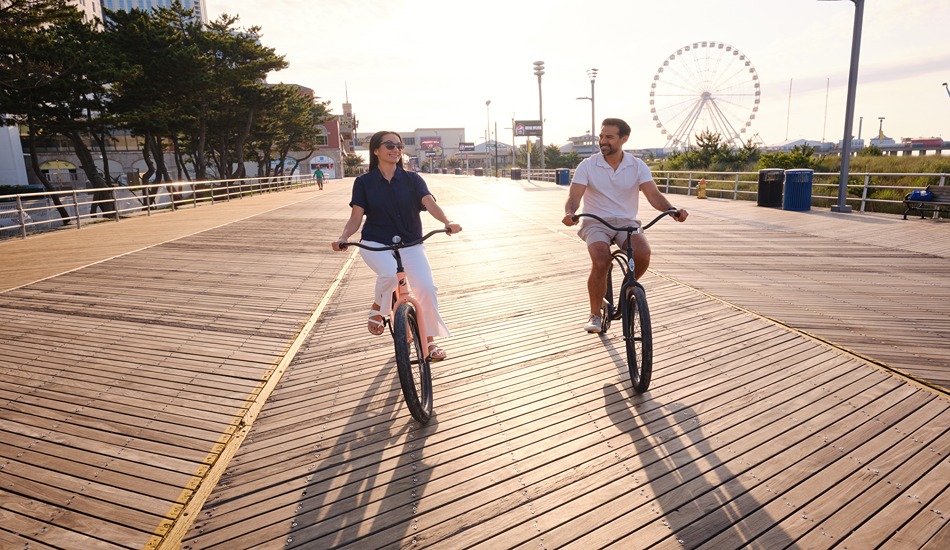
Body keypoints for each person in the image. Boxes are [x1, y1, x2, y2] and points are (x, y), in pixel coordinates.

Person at [332, 131, 462, 361]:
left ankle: (429, 342)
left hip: (411, 243)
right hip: (376, 242)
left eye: (399, 146)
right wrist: (343, 237)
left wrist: (447, 222)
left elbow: (429, 204)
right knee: (390, 274)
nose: (395, 149)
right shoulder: (363, 183)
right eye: (389, 145)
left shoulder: (413, 180)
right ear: (375, 150)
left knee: (426, 288)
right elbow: (356, 218)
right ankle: (378, 308)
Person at [562, 117, 688, 333]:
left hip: (627, 221)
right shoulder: (588, 165)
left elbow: (653, 195)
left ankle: (628, 287)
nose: (603, 141)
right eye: (601, 137)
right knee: (601, 261)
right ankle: (595, 313)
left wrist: (671, 210)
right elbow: (574, 196)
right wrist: (570, 213)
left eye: (609, 137)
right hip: (595, 221)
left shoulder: (637, 166)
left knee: (643, 253)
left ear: (624, 139)